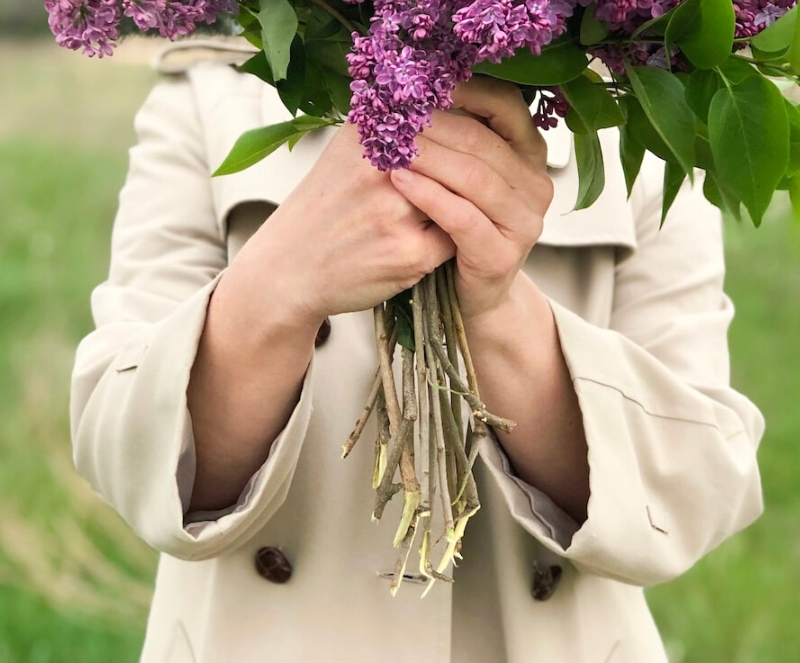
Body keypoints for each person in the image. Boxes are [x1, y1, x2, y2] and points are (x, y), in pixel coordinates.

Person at [70, 38, 765, 663]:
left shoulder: (634, 106)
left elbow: (691, 492)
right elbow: (128, 454)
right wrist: (283, 278)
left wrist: (496, 308)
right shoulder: (212, 92)